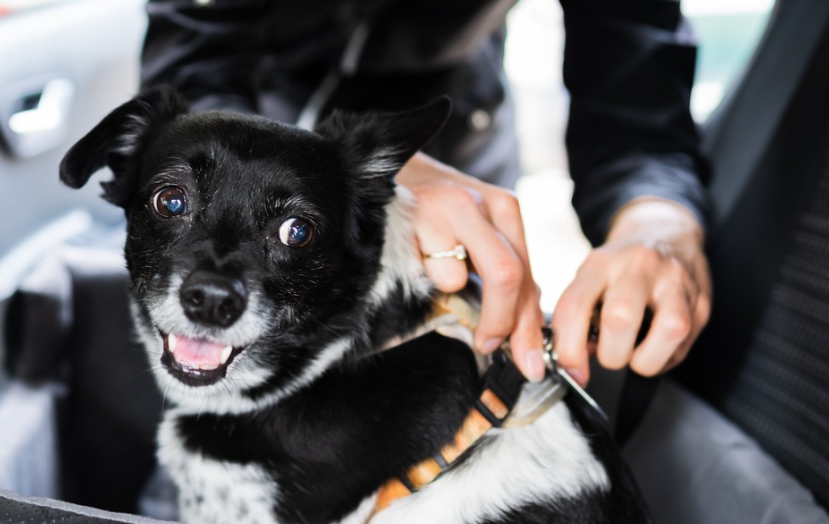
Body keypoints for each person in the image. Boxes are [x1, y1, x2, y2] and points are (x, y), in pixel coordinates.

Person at [142, 0, 713, 386]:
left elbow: (637, 110)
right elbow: (196, 65)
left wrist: (658, 225)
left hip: (455, 133)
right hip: (253, 122)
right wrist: (345, 175)